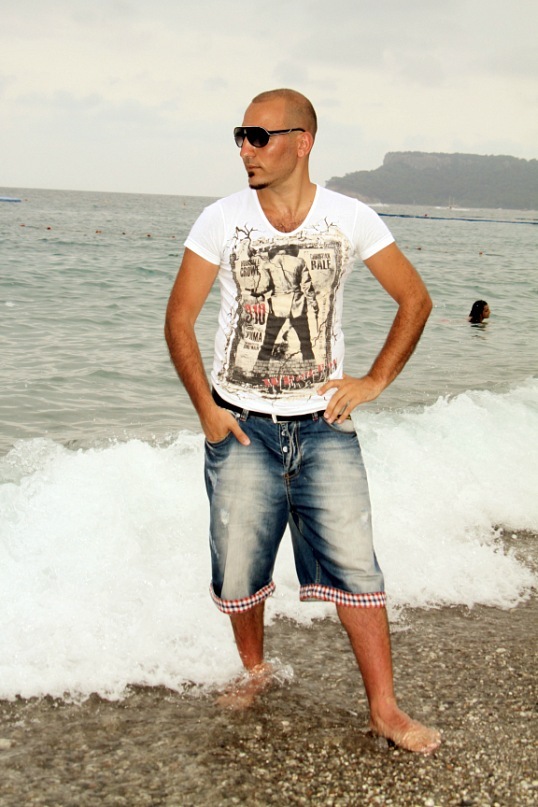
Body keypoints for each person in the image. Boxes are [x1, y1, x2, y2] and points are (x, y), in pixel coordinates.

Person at [165, 88, 441, 754]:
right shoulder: (220, 219)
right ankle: (254, 671)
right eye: (241, 136)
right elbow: (179, 320)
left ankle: (385, 709)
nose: (246, 149)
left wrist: (373, 382)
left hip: (323, 427)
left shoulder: (350, 217)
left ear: (302, 141)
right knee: (239, 569)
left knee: (357, 570)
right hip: (241, 426)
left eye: (259, 136)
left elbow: (415, 299)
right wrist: (207, 410)